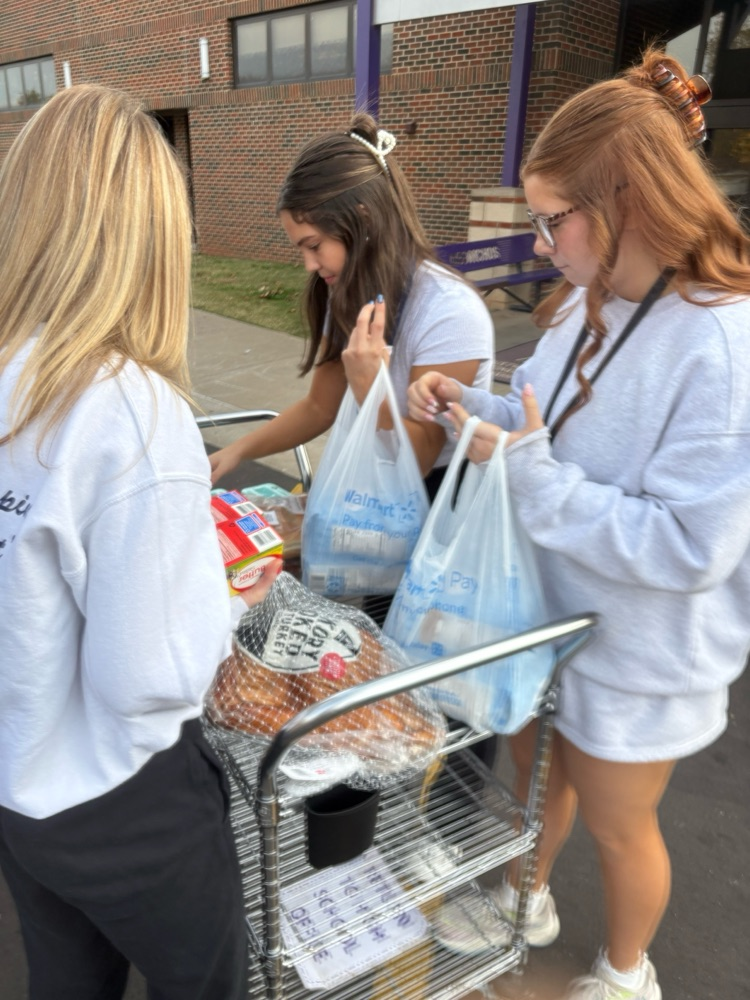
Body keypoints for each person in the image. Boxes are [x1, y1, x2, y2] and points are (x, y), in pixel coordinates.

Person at [408, 48, 750, 1000]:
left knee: (618, 823)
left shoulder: (723, 344)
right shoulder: (584, 309)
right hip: (553, 617)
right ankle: (528, 898)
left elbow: (690, 548)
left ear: (626, 204)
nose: (541, 242)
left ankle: (626, 971)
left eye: (553, 219)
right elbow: (536, 422)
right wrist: (462, 401)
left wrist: (518, 464)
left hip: (643, 655)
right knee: (531, 783)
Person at [0, 84, 279, 1000]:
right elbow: (150, 674)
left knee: (66, 981)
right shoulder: (127, 405)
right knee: (208, 982)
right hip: (123, 799)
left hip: (20, 775)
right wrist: (223, 594)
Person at [207, 111, 495, 502]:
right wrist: (236, 451)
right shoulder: (349, 289)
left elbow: (423, 457)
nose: (309, 265)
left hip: (436, 505)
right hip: (371, 489)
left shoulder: (450, 312)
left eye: (314, 246)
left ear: (363, 220)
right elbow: (319, 407)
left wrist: (370, 386)